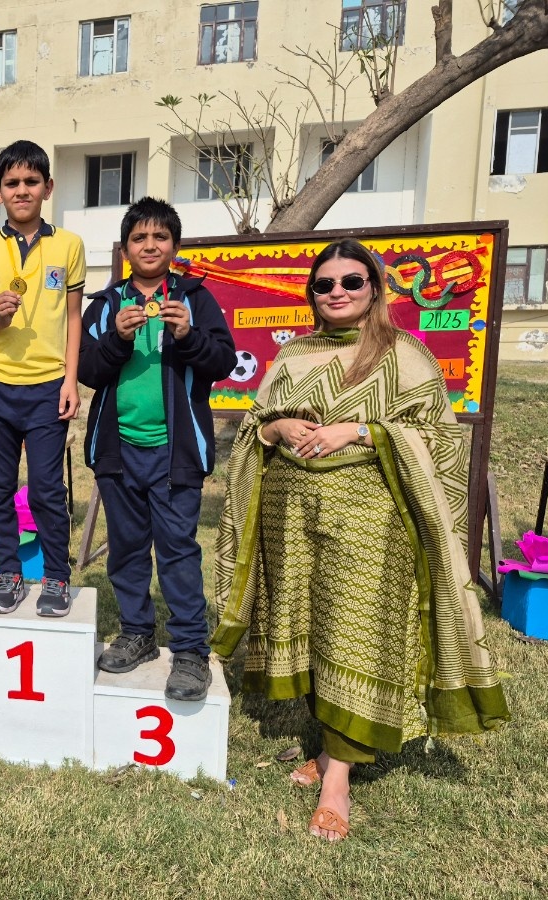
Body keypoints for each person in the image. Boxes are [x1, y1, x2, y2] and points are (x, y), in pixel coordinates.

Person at [211, 238, 509, 841]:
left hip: (372, 520)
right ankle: (328, 751)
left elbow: (440, 439)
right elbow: (254, 428)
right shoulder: (293, 355)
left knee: (356, 635)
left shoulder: (405, 355)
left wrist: (361, 431)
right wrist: (277, 426)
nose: (338, 292)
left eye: (351, 281)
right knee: (313, 629)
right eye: (324, 284)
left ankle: (338, 780)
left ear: (374, 288)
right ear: (312, 294)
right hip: (292, 517)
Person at [78, 197, 235, 701]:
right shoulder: (105, 306)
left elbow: (223, 361)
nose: (150, 246)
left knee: (178, 551)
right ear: (125, 249)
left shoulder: (196, 299)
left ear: (175, 245)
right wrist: (117, 340)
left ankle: (190, 650)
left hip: (176, 454)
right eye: (139, 238)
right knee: (126, 549)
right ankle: (137, 633)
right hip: (118, 452)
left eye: (160, 237)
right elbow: (88, 371)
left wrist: (187, 335)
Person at [0, 140, 85, 617]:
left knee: (47, 489)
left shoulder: (68, 245)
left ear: (47, 187)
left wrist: (70, 380)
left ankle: (56, 575)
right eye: (11, 183)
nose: (22, 190)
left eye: (31, 181)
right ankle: (8, 574)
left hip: (48, 386)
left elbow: (73, 318)